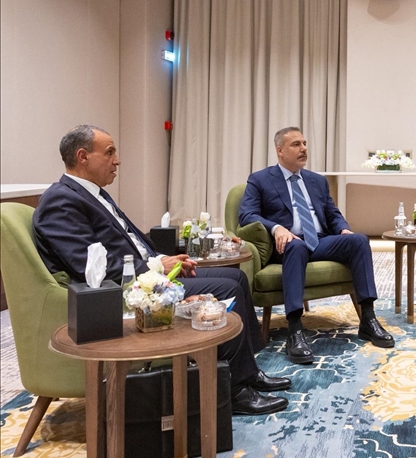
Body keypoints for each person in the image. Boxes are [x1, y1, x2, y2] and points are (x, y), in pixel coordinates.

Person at [33, 124, 291, 416]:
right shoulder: (61, 201)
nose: (117, 160)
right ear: (83, 156)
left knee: (237, 277)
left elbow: (131, 245)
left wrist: (167, 259)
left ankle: (247, 371)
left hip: (149, 274)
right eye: (109, 152)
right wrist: (156, 265)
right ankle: (235, 392)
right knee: (227, 287)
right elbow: (89, 268)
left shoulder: (94, 194)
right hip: (125, 291)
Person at [238, 126, 395, 364]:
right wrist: (276, 228)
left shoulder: (316, 181)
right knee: (297, 246)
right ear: (280, 150)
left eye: (304, 143)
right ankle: (294, 329)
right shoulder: (260, 179)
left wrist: (342, 229)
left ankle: (368, 319)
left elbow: (332, 213)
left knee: (359, 240)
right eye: (296, 144)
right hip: (287, 246)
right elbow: (247, 215)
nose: (303, 149)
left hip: (320, 240)